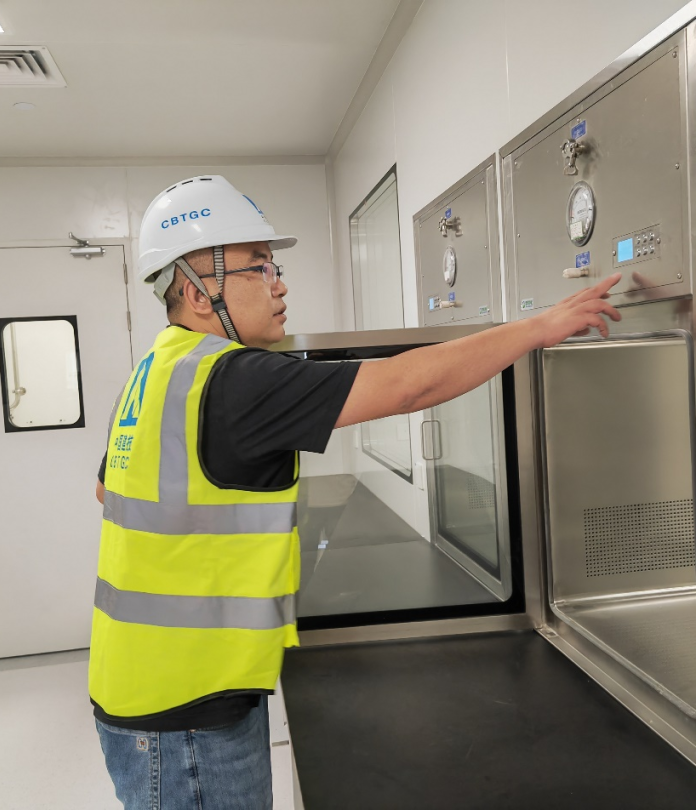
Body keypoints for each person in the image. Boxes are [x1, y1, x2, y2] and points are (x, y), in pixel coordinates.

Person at [91, 175, 621, 809]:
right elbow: (407, 385)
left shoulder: (155, 371)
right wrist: (539, 327)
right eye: (258, 267)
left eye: (274, 266)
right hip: (188, 712)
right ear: (199, 291)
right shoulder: (231, 379)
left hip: (149, 686)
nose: (279, 284)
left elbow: (107, 489)